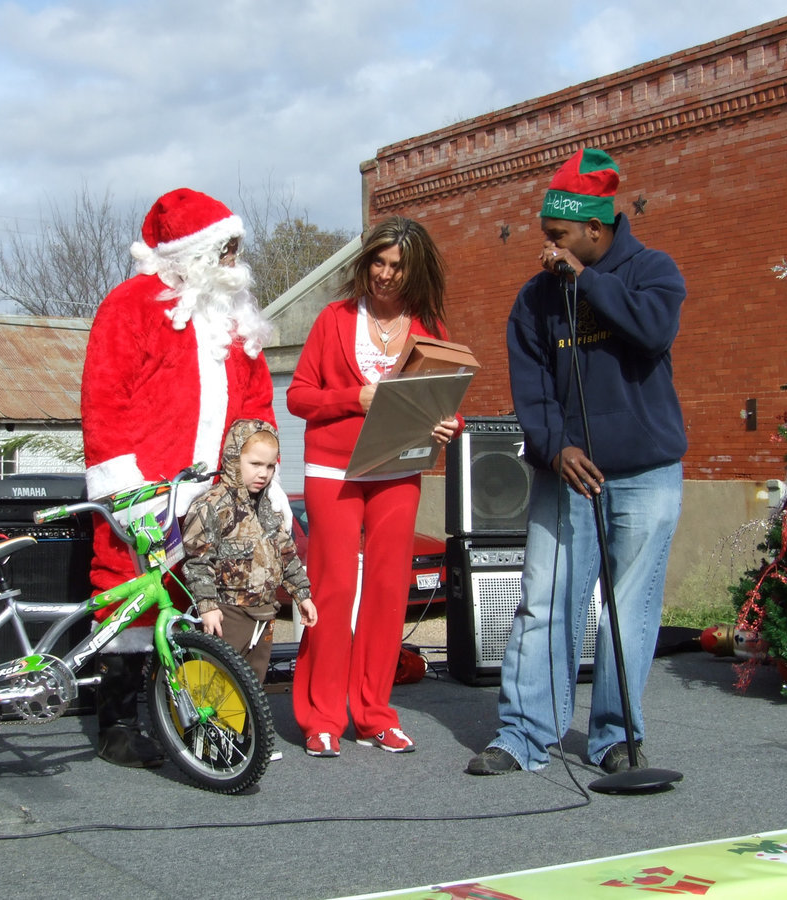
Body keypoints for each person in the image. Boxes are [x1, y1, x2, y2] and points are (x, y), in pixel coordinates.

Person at [466, 148, 686, 777]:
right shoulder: (536, 298)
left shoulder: (653, 272)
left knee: (631, 609)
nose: (547, 250)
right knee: (547, 600)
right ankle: (524, 734)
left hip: (646, 473)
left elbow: (651, 331)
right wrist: (555, 447)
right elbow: (531, 386)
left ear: (596, 228)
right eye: (545, 238)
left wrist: (586, 284)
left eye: (557, 237)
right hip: (568, 474)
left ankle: (616, 736)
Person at [81, 187, 284, 767]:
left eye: (237, 249)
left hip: (214, 496)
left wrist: (258, 475)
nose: (235, 261)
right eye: (226, 250)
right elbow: (105, 400)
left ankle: (210, 719)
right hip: (143, 489)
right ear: (195, 253)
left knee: (212, 601)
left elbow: (257, 410)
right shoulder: (130, 305)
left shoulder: (238, 319)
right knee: (130, 598)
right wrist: (122, 488)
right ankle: (118, 721)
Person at [287, 216, 460, 758]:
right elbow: (297, 398)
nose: (385, 275)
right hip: (332, 471)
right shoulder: (333, 320)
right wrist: (351, 398)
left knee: (388, 593)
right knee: (334, 590)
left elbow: (440, 401)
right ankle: (321, 717)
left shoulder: (431, 329)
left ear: (415, 272)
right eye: (378, 263)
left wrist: (446, 424)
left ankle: (375, 713)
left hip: (398, 468)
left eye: (397, 266)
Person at [181, 419, 317, 685]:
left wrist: (302, 595)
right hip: (227, 613)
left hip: (265, 612)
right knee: (218, 682)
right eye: (255, 464)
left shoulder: (268, 508)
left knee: (253, 685)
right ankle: (211, 727)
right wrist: (207, 606)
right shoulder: (213, 506)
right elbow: (198, 562)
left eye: (269, 466)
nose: (263, 473)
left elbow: (286, 555)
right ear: (234, 459)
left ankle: (245, 728)